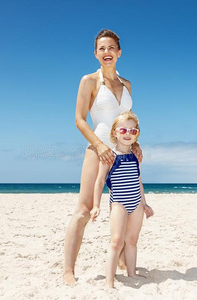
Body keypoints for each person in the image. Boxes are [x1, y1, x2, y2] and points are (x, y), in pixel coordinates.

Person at [64, 29, 144, 285]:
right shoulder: (89, 81)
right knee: (84, 210)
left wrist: (136, 142)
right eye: (102, 49)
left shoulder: (127, 84)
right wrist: (99, 146)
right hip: (98, 150)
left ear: (119, 52)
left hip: (125, 153)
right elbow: (79, 119)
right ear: (96, 53)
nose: (107, 52)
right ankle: (68, 270)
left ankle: (121, 261)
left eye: (111, 48)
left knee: (127, 206)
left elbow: (126, 121)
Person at [90, 111, 153, 288]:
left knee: (132, 240)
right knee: (116, 241)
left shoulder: (136, 157)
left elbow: (138, 180)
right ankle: (109, 282)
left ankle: (131, 273)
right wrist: (96, 205)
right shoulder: (109, 156)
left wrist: (144, 203)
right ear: (115, 132)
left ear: (137, 134)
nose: (128, 134)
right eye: (123, 130)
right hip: (119, 203)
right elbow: (100, 180)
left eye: (133, 131)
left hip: (136, 203)